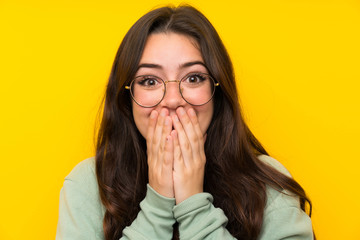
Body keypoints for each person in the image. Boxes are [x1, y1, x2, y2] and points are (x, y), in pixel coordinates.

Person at [56, 5, 315, 240]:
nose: (171, 100)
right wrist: (157, 206)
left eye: (193, 78)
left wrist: (193, 204)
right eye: (149, 81)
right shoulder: (88, 185)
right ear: (127, 97)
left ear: (217, 90)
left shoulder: (267, 185)